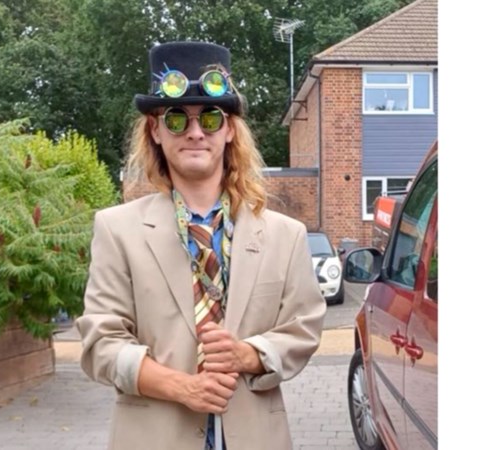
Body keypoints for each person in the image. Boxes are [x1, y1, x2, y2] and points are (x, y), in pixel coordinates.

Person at [76, 41, 326, 450]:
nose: (195, 132)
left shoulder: (285, 235)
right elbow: (100, 345)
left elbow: (304, 328)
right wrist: (181, 387)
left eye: (210, 117)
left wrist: (248, 355)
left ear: (229, 130)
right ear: (155, 130)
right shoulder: (117, 229)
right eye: (176, 119)